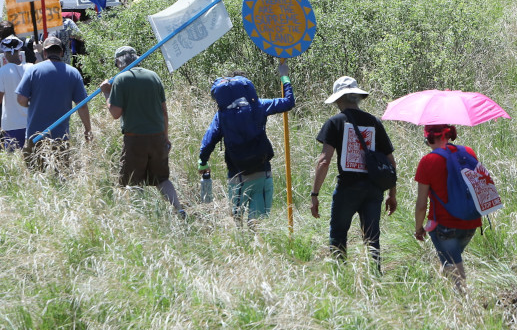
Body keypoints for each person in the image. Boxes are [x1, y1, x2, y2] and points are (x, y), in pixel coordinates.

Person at [310, 76, 397, 270]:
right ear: (356, 97)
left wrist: (314, 194)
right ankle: (374, 277)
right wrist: (392, 194)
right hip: (374, 189)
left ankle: (340, 276)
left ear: (339, 99)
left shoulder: (334, 123)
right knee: (372, 238)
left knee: (338, 235)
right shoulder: (374, 122)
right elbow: (390, 161)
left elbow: (324, 161)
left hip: (347, 188)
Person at [198, 62, 295, 223]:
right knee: (257, 224)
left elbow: (208, 142)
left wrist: (203, 162)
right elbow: (289, 102)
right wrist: (284, 76)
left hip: (238, 177)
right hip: (263, 173)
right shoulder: (260, 106)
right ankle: (258, 247)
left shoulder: (221, 116)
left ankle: (242, 248)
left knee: (237, 221)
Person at [99, 46, 183, 215]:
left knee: (132, 181)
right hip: (158, 136)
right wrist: (166, 137)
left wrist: (107, 93)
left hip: (135, 139)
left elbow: (115, 113)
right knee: (162, 179)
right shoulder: (154, 77)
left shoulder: (121, 80)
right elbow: (164, 111)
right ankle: (180, 210)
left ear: (119, 62)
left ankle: (141, 217)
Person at [414, 124, 483, 289]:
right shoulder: (468, 152)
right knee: (450, 262)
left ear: (429, 138)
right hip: (471, 221)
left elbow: (421, 203)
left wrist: (418, 228)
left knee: (455, 271)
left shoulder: (428, 161)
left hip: (444, 225)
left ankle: (465, 306)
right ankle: (444, 294)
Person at [16, 36, 92, 170]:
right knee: (61, 178)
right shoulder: (73, 73)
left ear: (44, 53)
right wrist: (87, 129)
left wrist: (32, 105)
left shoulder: (33, 71)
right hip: (60, 136)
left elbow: (21, 99)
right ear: (62, 52)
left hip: (35, 135)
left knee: (36, 177)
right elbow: (82, 105)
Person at [0, 36, 31, 151]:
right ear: (19, 51)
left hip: (12, 124)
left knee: (16, 161)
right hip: (31, 122)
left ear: (5, 53)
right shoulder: (31, 68)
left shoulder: (2, 72)